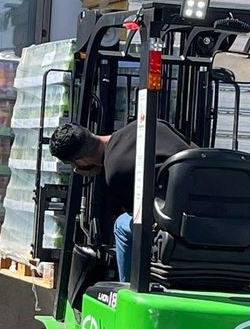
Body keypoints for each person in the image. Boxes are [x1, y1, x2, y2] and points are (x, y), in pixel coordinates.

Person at [49, 120, 191, 282]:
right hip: (216, 213)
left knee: (122, 224)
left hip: (181, 227)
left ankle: (128, 286)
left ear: (81, 162)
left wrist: (103, 174)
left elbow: (142, 220)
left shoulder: (115, 172)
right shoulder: (150, 124)